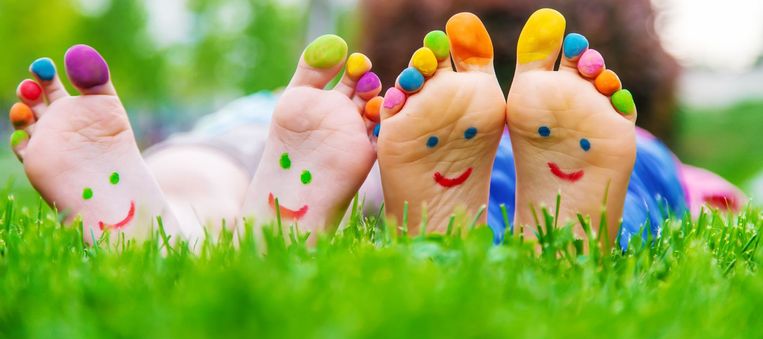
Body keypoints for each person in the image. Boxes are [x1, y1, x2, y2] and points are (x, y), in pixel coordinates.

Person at [7, 9, 745, 249]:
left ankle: (180, 223)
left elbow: (218, 139)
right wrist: (709, 193)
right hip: (604, 151)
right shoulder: (607, 115)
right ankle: (553, 229)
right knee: (655, 182)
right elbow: (723, 202)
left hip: (354, 133)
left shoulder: (342, 104)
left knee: (225, 153)